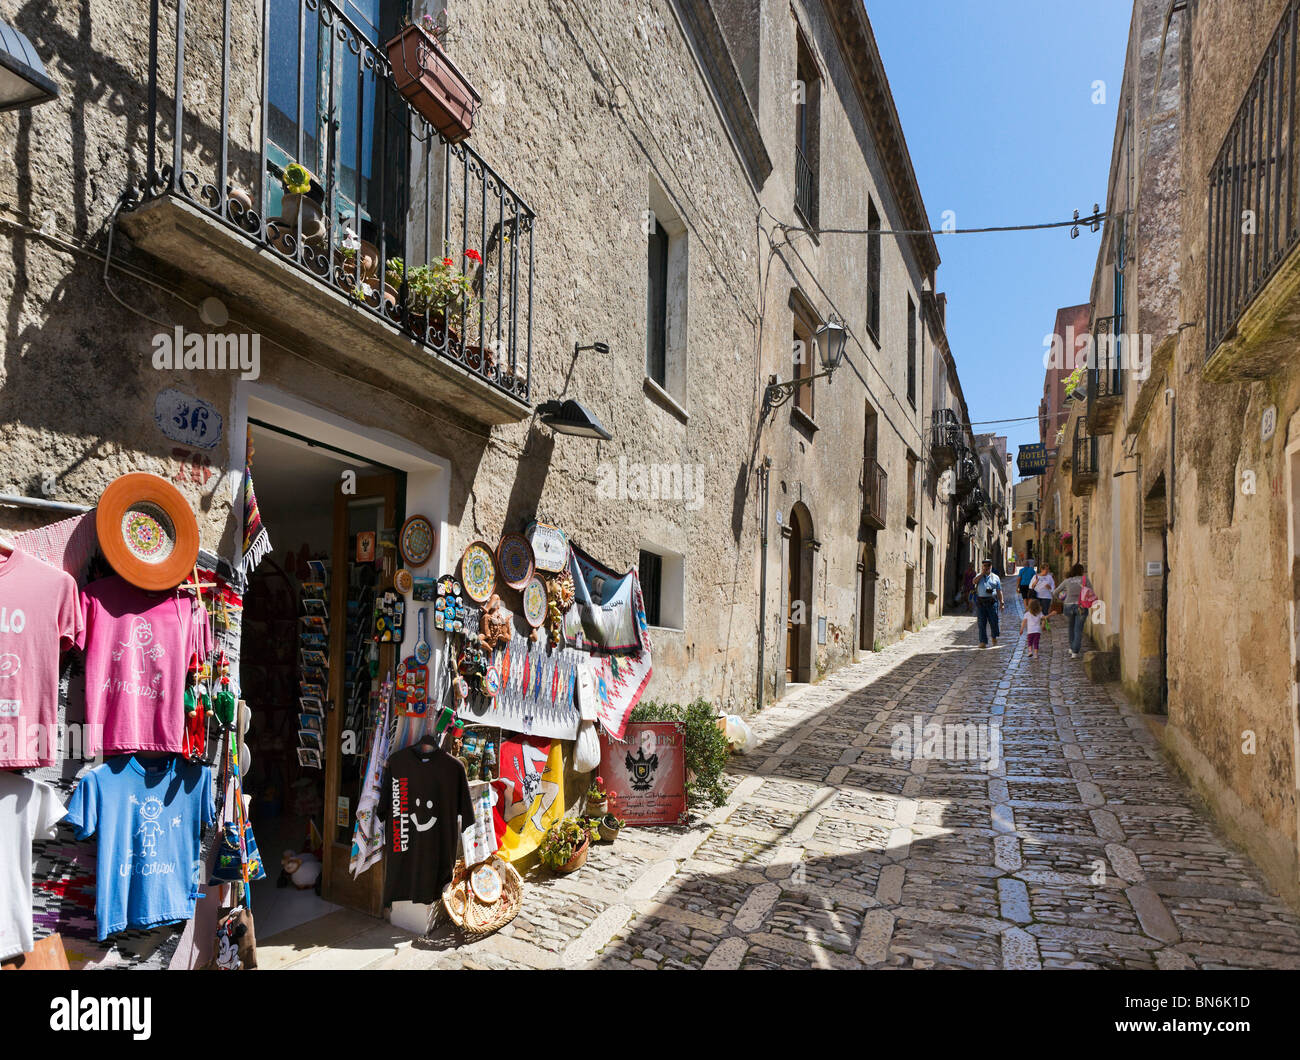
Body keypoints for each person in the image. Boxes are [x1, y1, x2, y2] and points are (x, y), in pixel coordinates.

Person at [1055, 563, 1088, 658]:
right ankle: (1075, 650)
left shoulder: (1067, 581)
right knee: (1078, 629)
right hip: (1081, 606)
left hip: (1068, 606)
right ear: (1081, 571)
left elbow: (1055, 592)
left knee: (1071, 627)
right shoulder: (1085, 580)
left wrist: (1063, 600)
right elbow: (1090, 591)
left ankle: (1072, 647)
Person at [973, 558, 1004, 648]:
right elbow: (974, 582)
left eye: (988, 565)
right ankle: (983, 641)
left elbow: (999, 591)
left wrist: (1002, 602)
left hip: (992, 602)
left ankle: (994, 636)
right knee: (981, 622)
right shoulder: (979, 576)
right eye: (985, 565)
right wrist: (982, 574)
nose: (987, 567)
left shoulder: (995, 577)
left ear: (991, 566)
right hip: (981, 602)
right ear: (982, 566)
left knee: (994, 621)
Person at [1030, 562, 1056, 633]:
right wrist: (1035, 582)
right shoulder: (1035, 577)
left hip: (1047, 597)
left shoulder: (1049, 577)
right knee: (1037, 611)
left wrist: (1050, 587)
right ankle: (1038, 624)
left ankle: (1043, 625)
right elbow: (1031, 587)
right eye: (1046, 570)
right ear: (1042, 569)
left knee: (1045, 611)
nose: (1047, 571)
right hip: (1037, 597)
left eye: (1048, 570)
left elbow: (1053, 587)